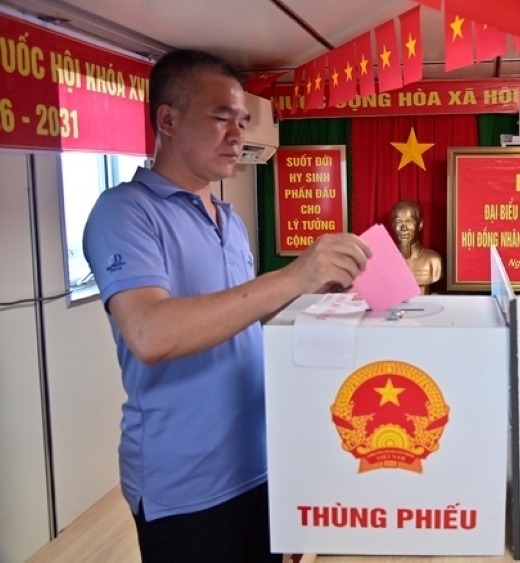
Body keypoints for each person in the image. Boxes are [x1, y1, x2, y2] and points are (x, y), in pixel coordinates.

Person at [82, 49, 371, 562]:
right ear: (168, 120)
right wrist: (292, 275)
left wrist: (313, 292)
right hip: (186, 485)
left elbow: (244, 315)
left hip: (259, 461)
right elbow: (150, 333)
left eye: (241, 121)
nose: (237, 135)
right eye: (221, 118)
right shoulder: (124, 212)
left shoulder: (228, 219)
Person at [390, 199, 442, 292]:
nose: (404, 228)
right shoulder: (384, 262)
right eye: (399, 222)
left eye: (409, 222)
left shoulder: (433, 261)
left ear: (420, 224)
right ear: (392, 225)